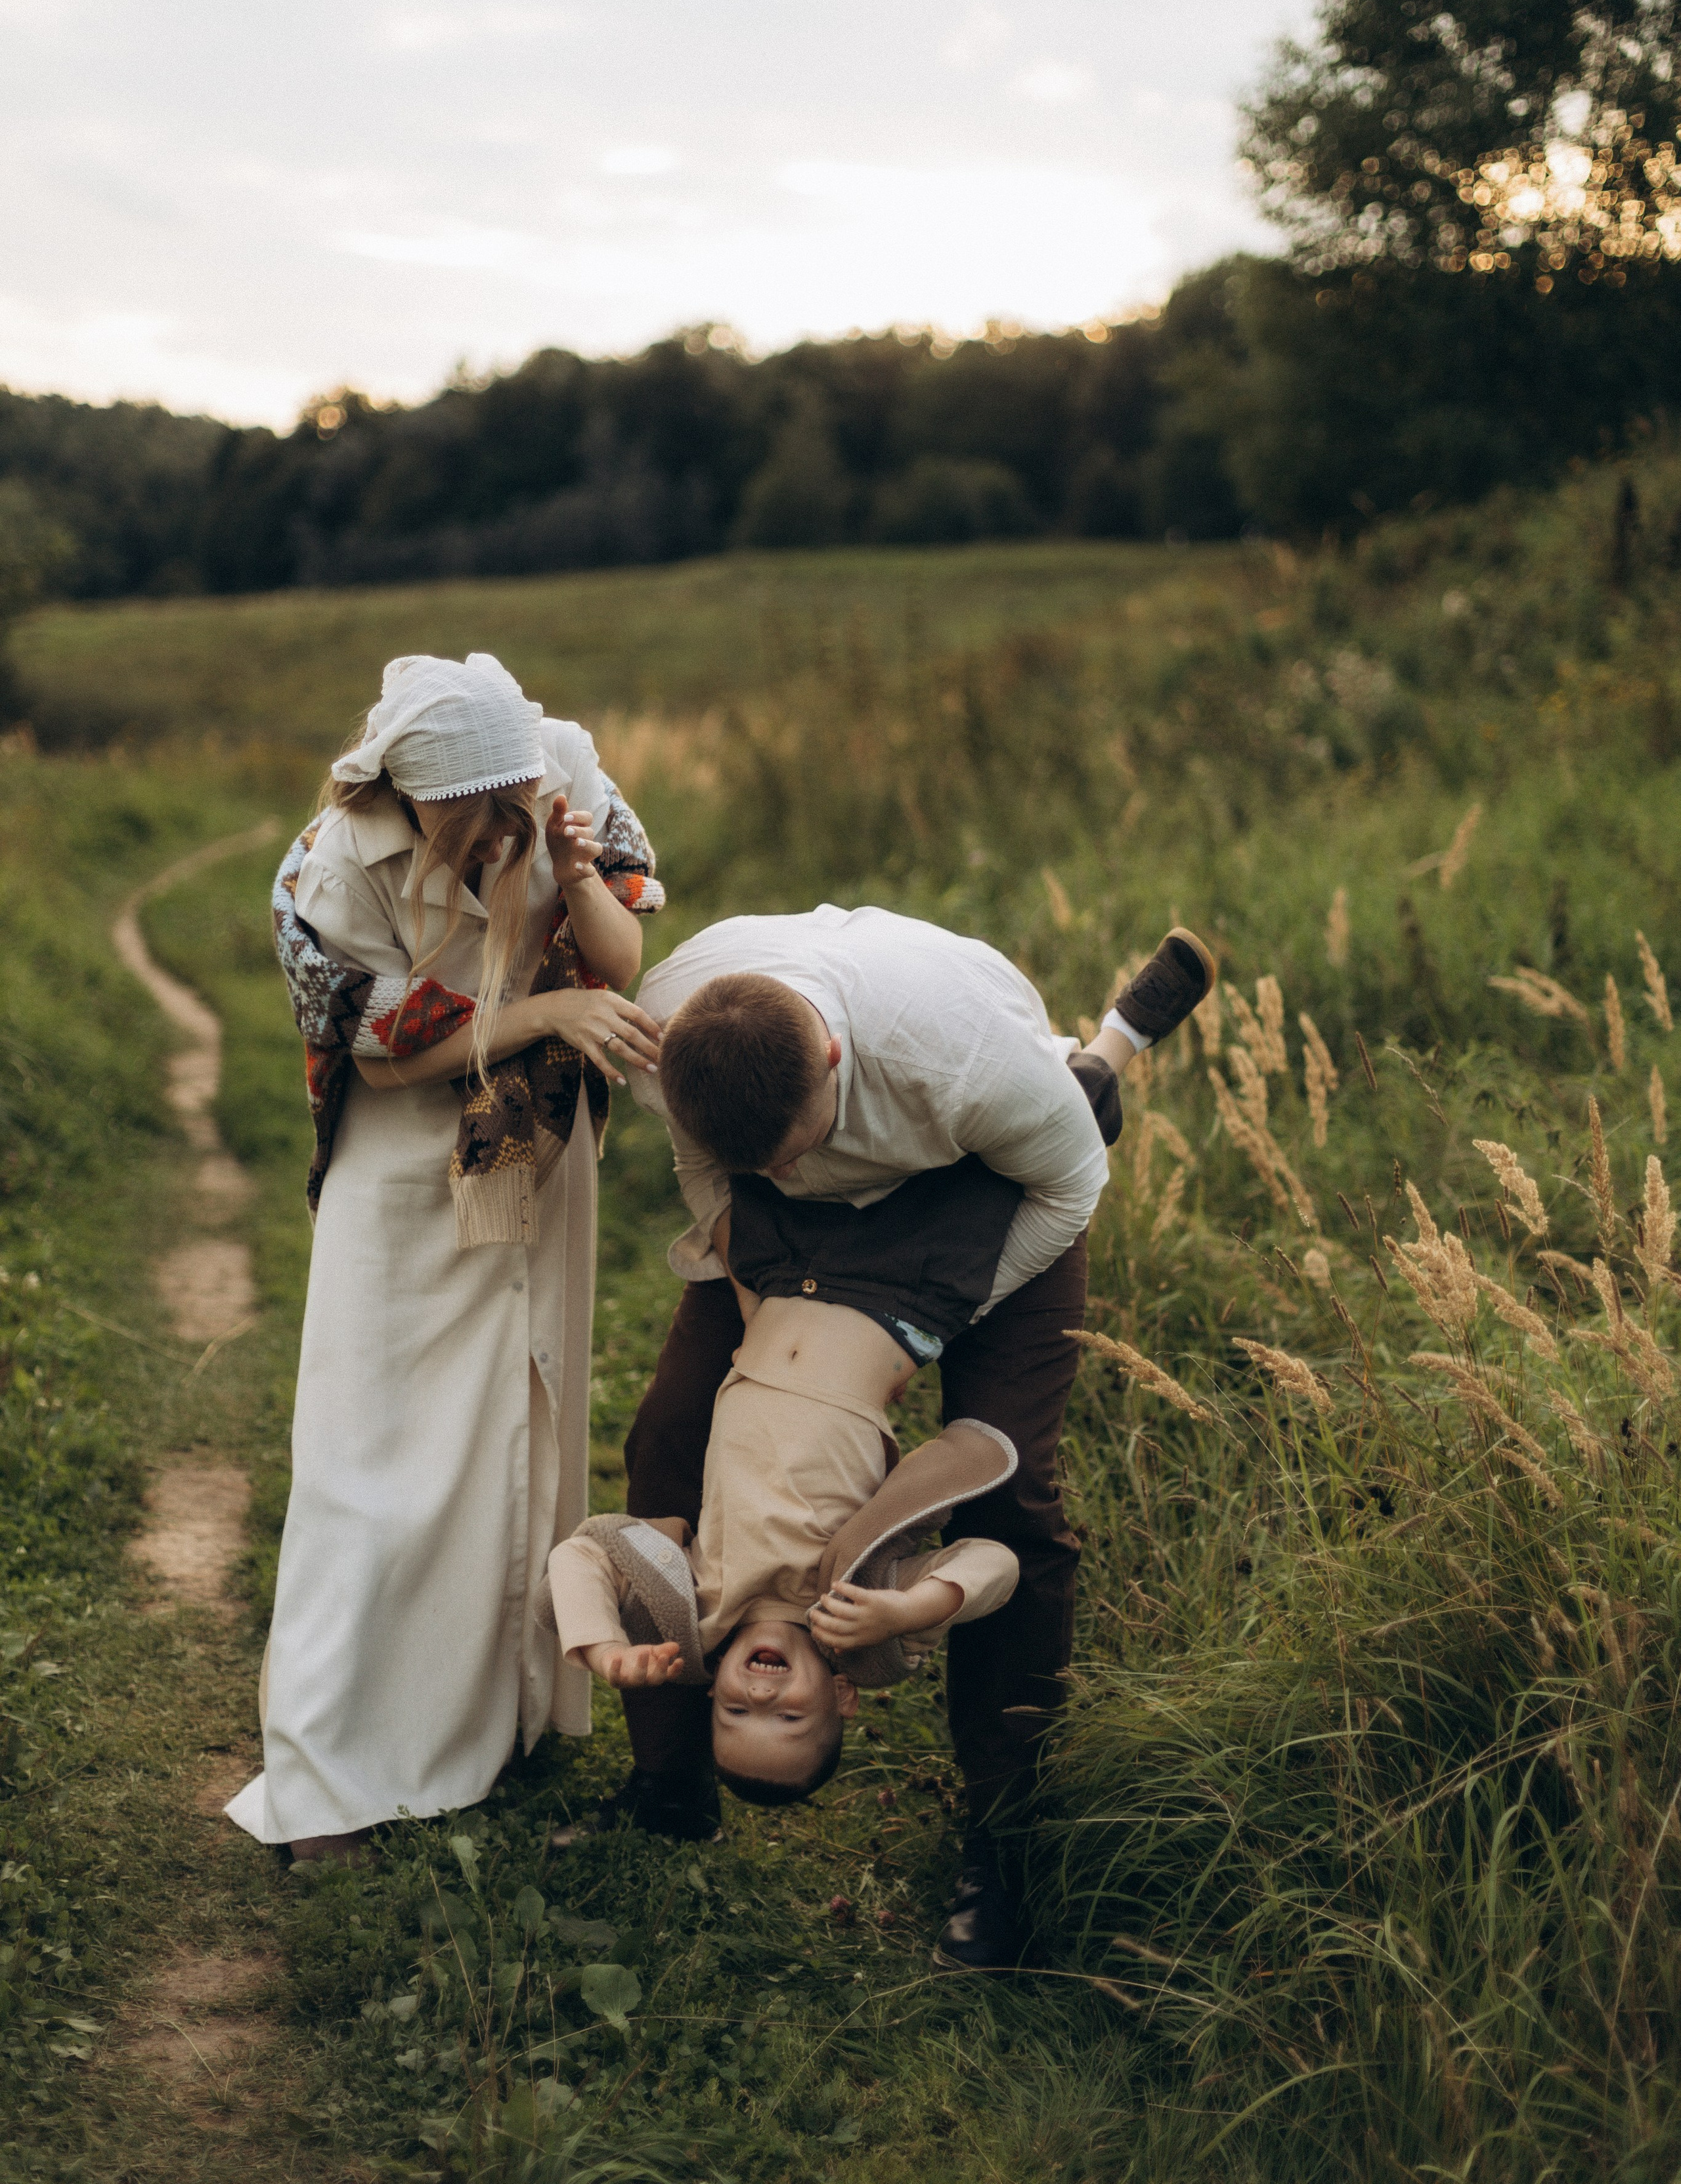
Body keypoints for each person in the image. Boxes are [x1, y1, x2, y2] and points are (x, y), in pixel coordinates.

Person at [606, 906, 1215, 1967]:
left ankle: (1003, 1842)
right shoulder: (673, 1038)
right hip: (789, 1239)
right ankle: (672, 1781)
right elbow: (715, 1176)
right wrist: (755, 1290)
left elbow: (1072, 1187)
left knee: (1007, 1495)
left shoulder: (958, 1063)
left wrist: (925, 1320)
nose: (791, 1171)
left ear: (832, 1062)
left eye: (803, 1150)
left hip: (989, 1188)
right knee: (667, 1436)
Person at [225, 653, 665, 1860]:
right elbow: (376, 1054)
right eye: (470, 826)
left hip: (530, 1144)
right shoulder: (331, 864)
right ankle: (328, 1769)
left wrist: (574, 884)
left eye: (509, 813)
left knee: (512, 1433)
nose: (494, 840)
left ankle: (489, 1727)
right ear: (414, 802)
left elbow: (619, 966)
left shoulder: (557, 776)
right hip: (403, 1169)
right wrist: (541, 1013)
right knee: (367, 1461)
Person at [547, 1153, 1034, 1807]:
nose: (760, 1697)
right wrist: (911, 1607)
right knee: (973, 1159)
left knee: (776, 1133)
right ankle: (1098, 1064)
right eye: (789, 1717)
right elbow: (994, 1563)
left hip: (782, 1272)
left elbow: (578, 1555)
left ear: (713, 1689)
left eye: (735, 1714)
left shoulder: (697, 1606)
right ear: (841, 1695)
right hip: (901, 1290)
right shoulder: (865, 1622)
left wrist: (606, 1650)